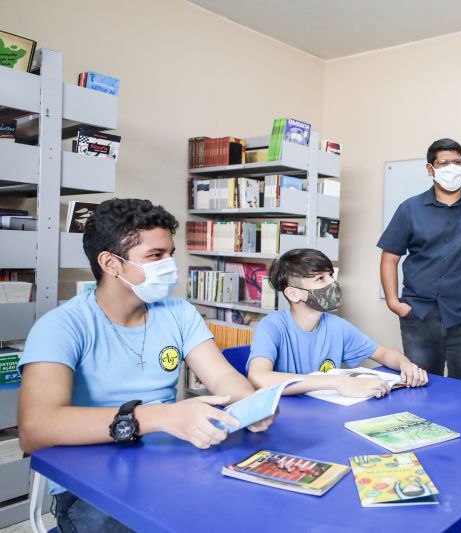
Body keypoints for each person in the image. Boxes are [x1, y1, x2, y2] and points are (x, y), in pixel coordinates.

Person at [17, 199, 275, 533]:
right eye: (155, 256)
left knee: (251, 510)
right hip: (90, 481)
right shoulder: (60, 327)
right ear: (111, 263)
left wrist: (250, 403)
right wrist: (161, 417)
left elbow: (223, 375)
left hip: (171, 461)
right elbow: (35, 429)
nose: (169, 265)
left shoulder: (179, 313)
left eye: (170, 254)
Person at [378, 138, 461, 385]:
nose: (452, 168)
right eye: (444, 163)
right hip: (419, 315)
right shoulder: (410, 208)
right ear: (430, 169)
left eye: (457, 162)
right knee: (419, 385)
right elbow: (389, 257)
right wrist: (394, 303)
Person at [247, 249, 428, 396]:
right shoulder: (272, 326)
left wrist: (406, 365)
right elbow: (258, 377)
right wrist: (340, 382)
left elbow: (384, 353)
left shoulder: (337, 326)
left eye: (331, 275)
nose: (333, 282)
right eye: (320, 278)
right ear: (293, 294)